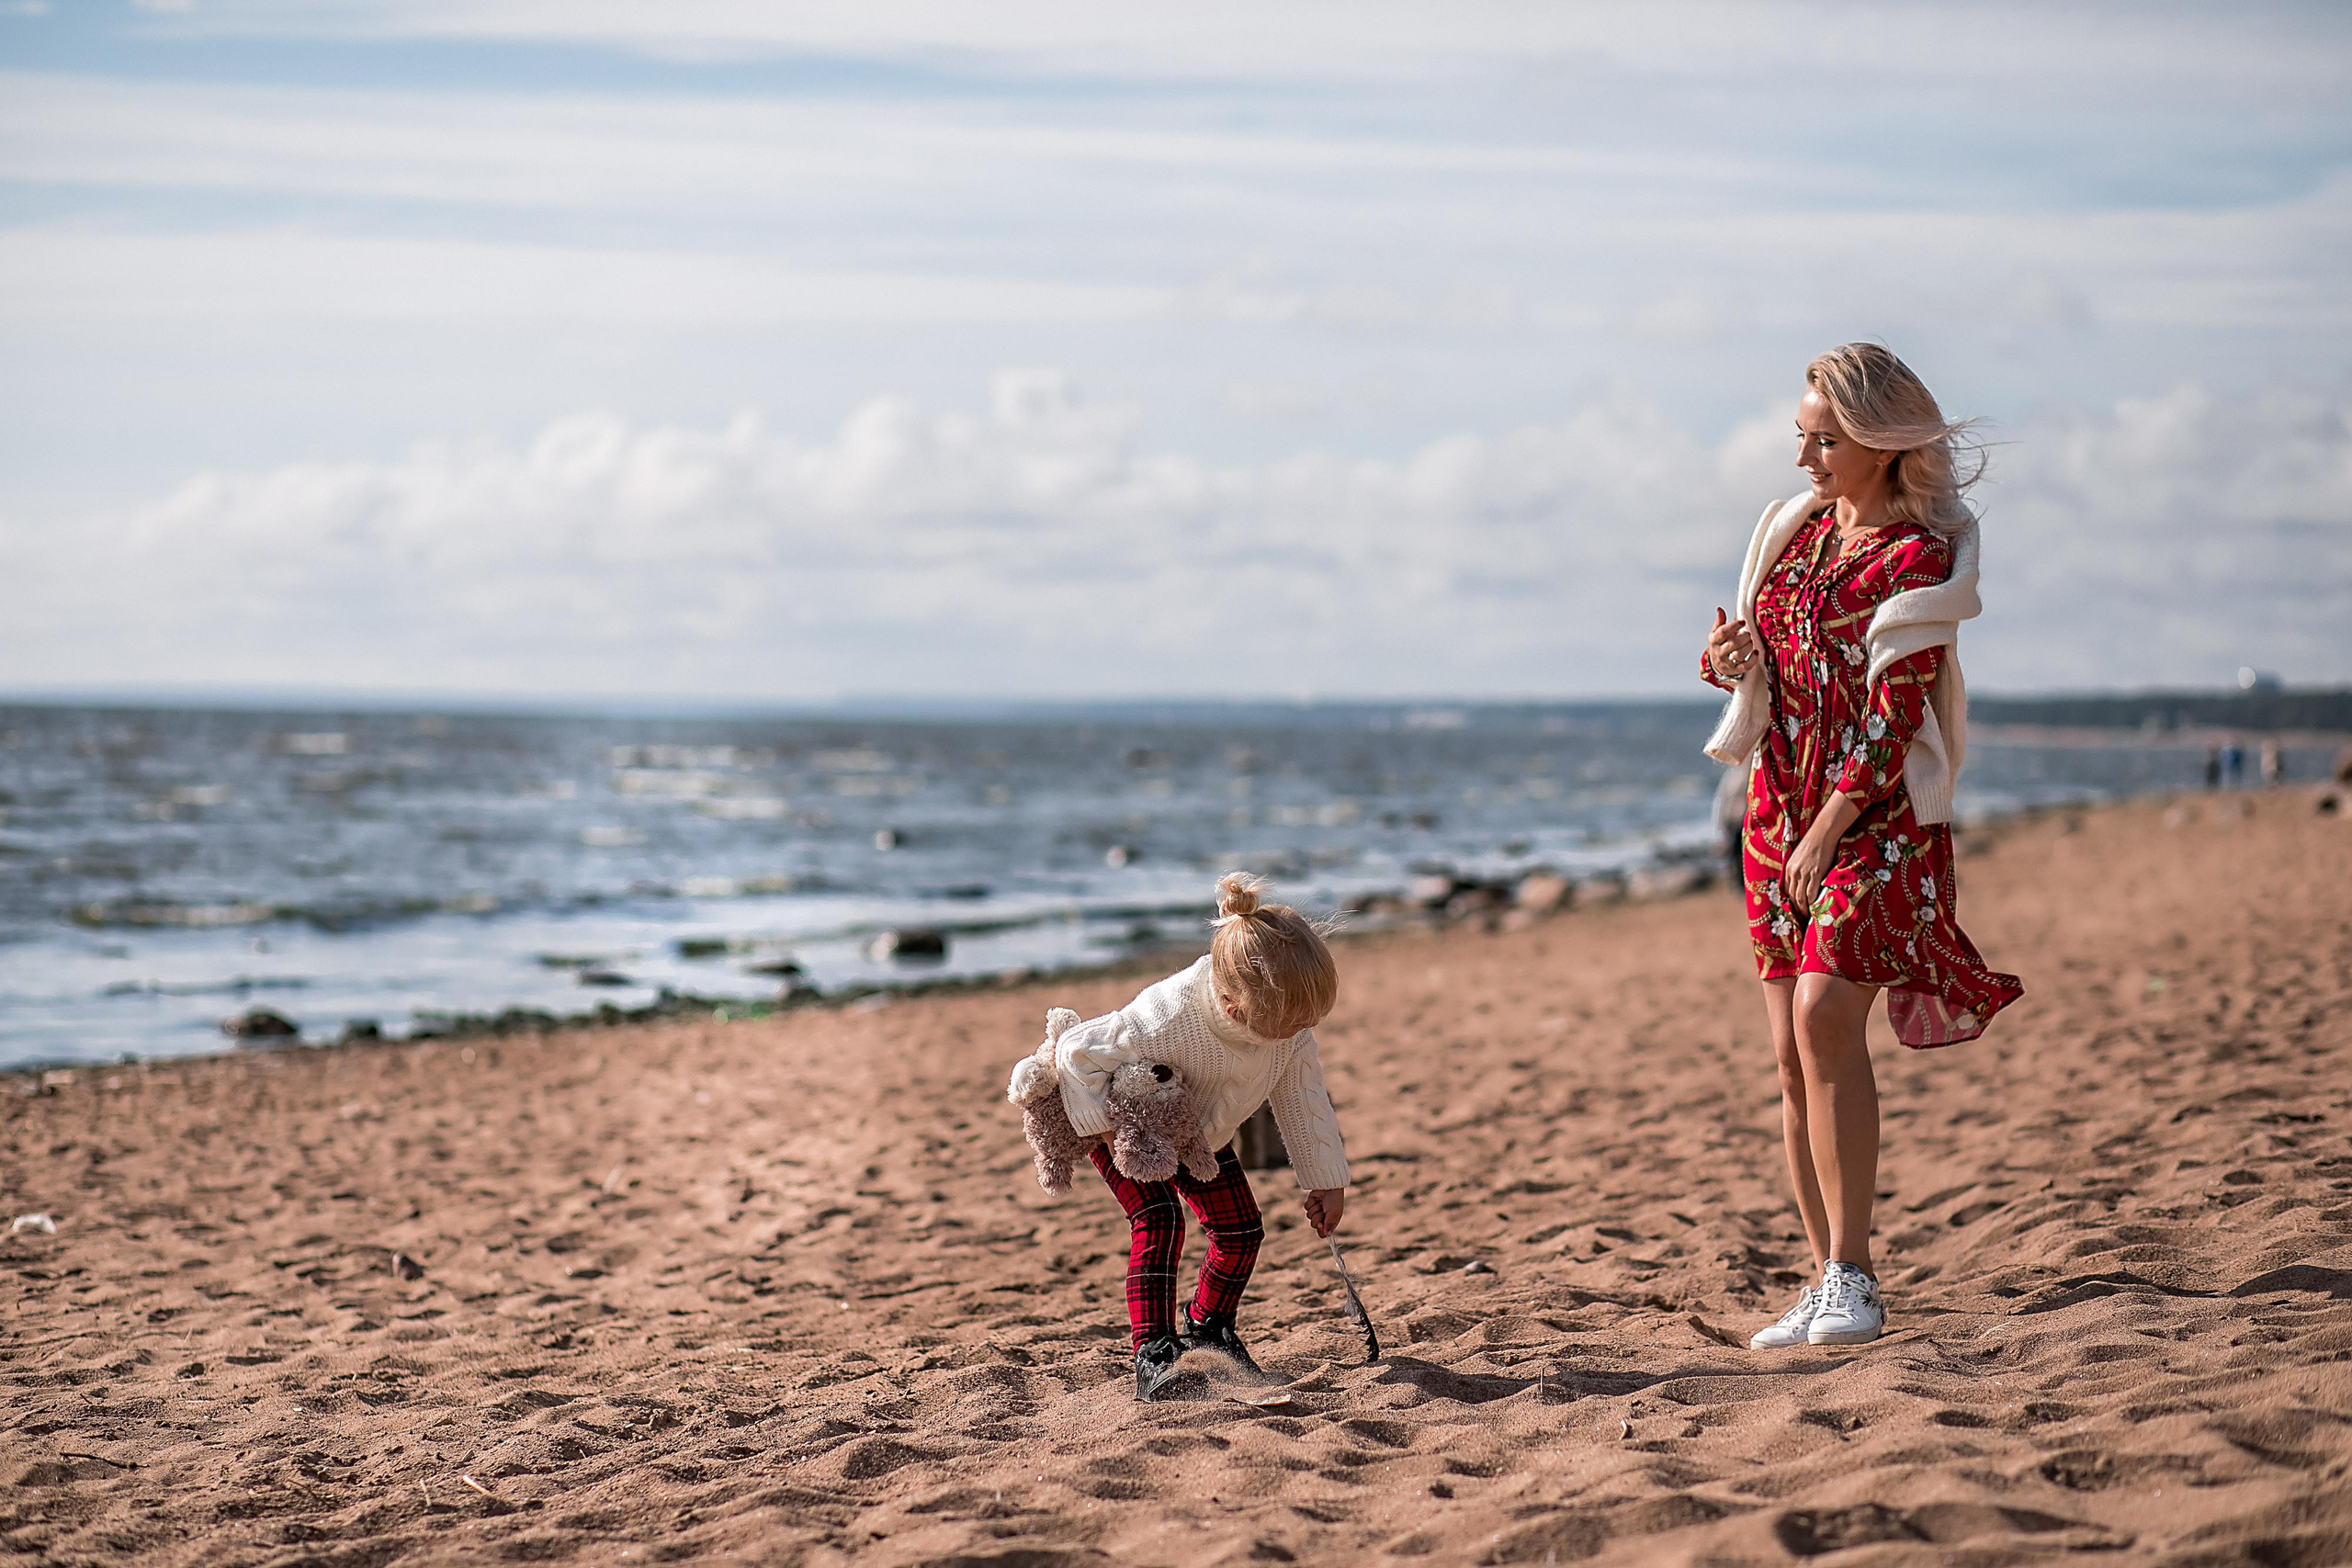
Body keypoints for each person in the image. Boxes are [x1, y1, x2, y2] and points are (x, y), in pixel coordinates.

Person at [1700, 343, 2022, 1350]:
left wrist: (1827, 830)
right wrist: (1727, 658)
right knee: (1790, 1062)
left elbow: (1895, 717)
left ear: (1882, 446)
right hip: (1774, 813)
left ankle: (1854, 1275)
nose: (1805, 459)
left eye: (1825, 441)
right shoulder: (1793, 534)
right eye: (1802, 437)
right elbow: (1767, 669)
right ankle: (1822, 1280)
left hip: (1872, 820)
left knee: (1825, 1013)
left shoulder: (1918, 559)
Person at [1021, 874, 1350, 1398]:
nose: (1299, 1033)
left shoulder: (1286, 1026)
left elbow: (1302, 1096)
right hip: (1125, 1121)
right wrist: (1105, 1129)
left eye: (1307, 1021)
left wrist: (1325, 1177)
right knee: (1160, 1219)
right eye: (1291, 1024)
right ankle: (1154, 1352)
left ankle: (1208, 1328)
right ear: (1235, 1006)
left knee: (1241, 1230)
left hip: (1197, 1133)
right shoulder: (1169, 1015)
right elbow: (1076, 1052)